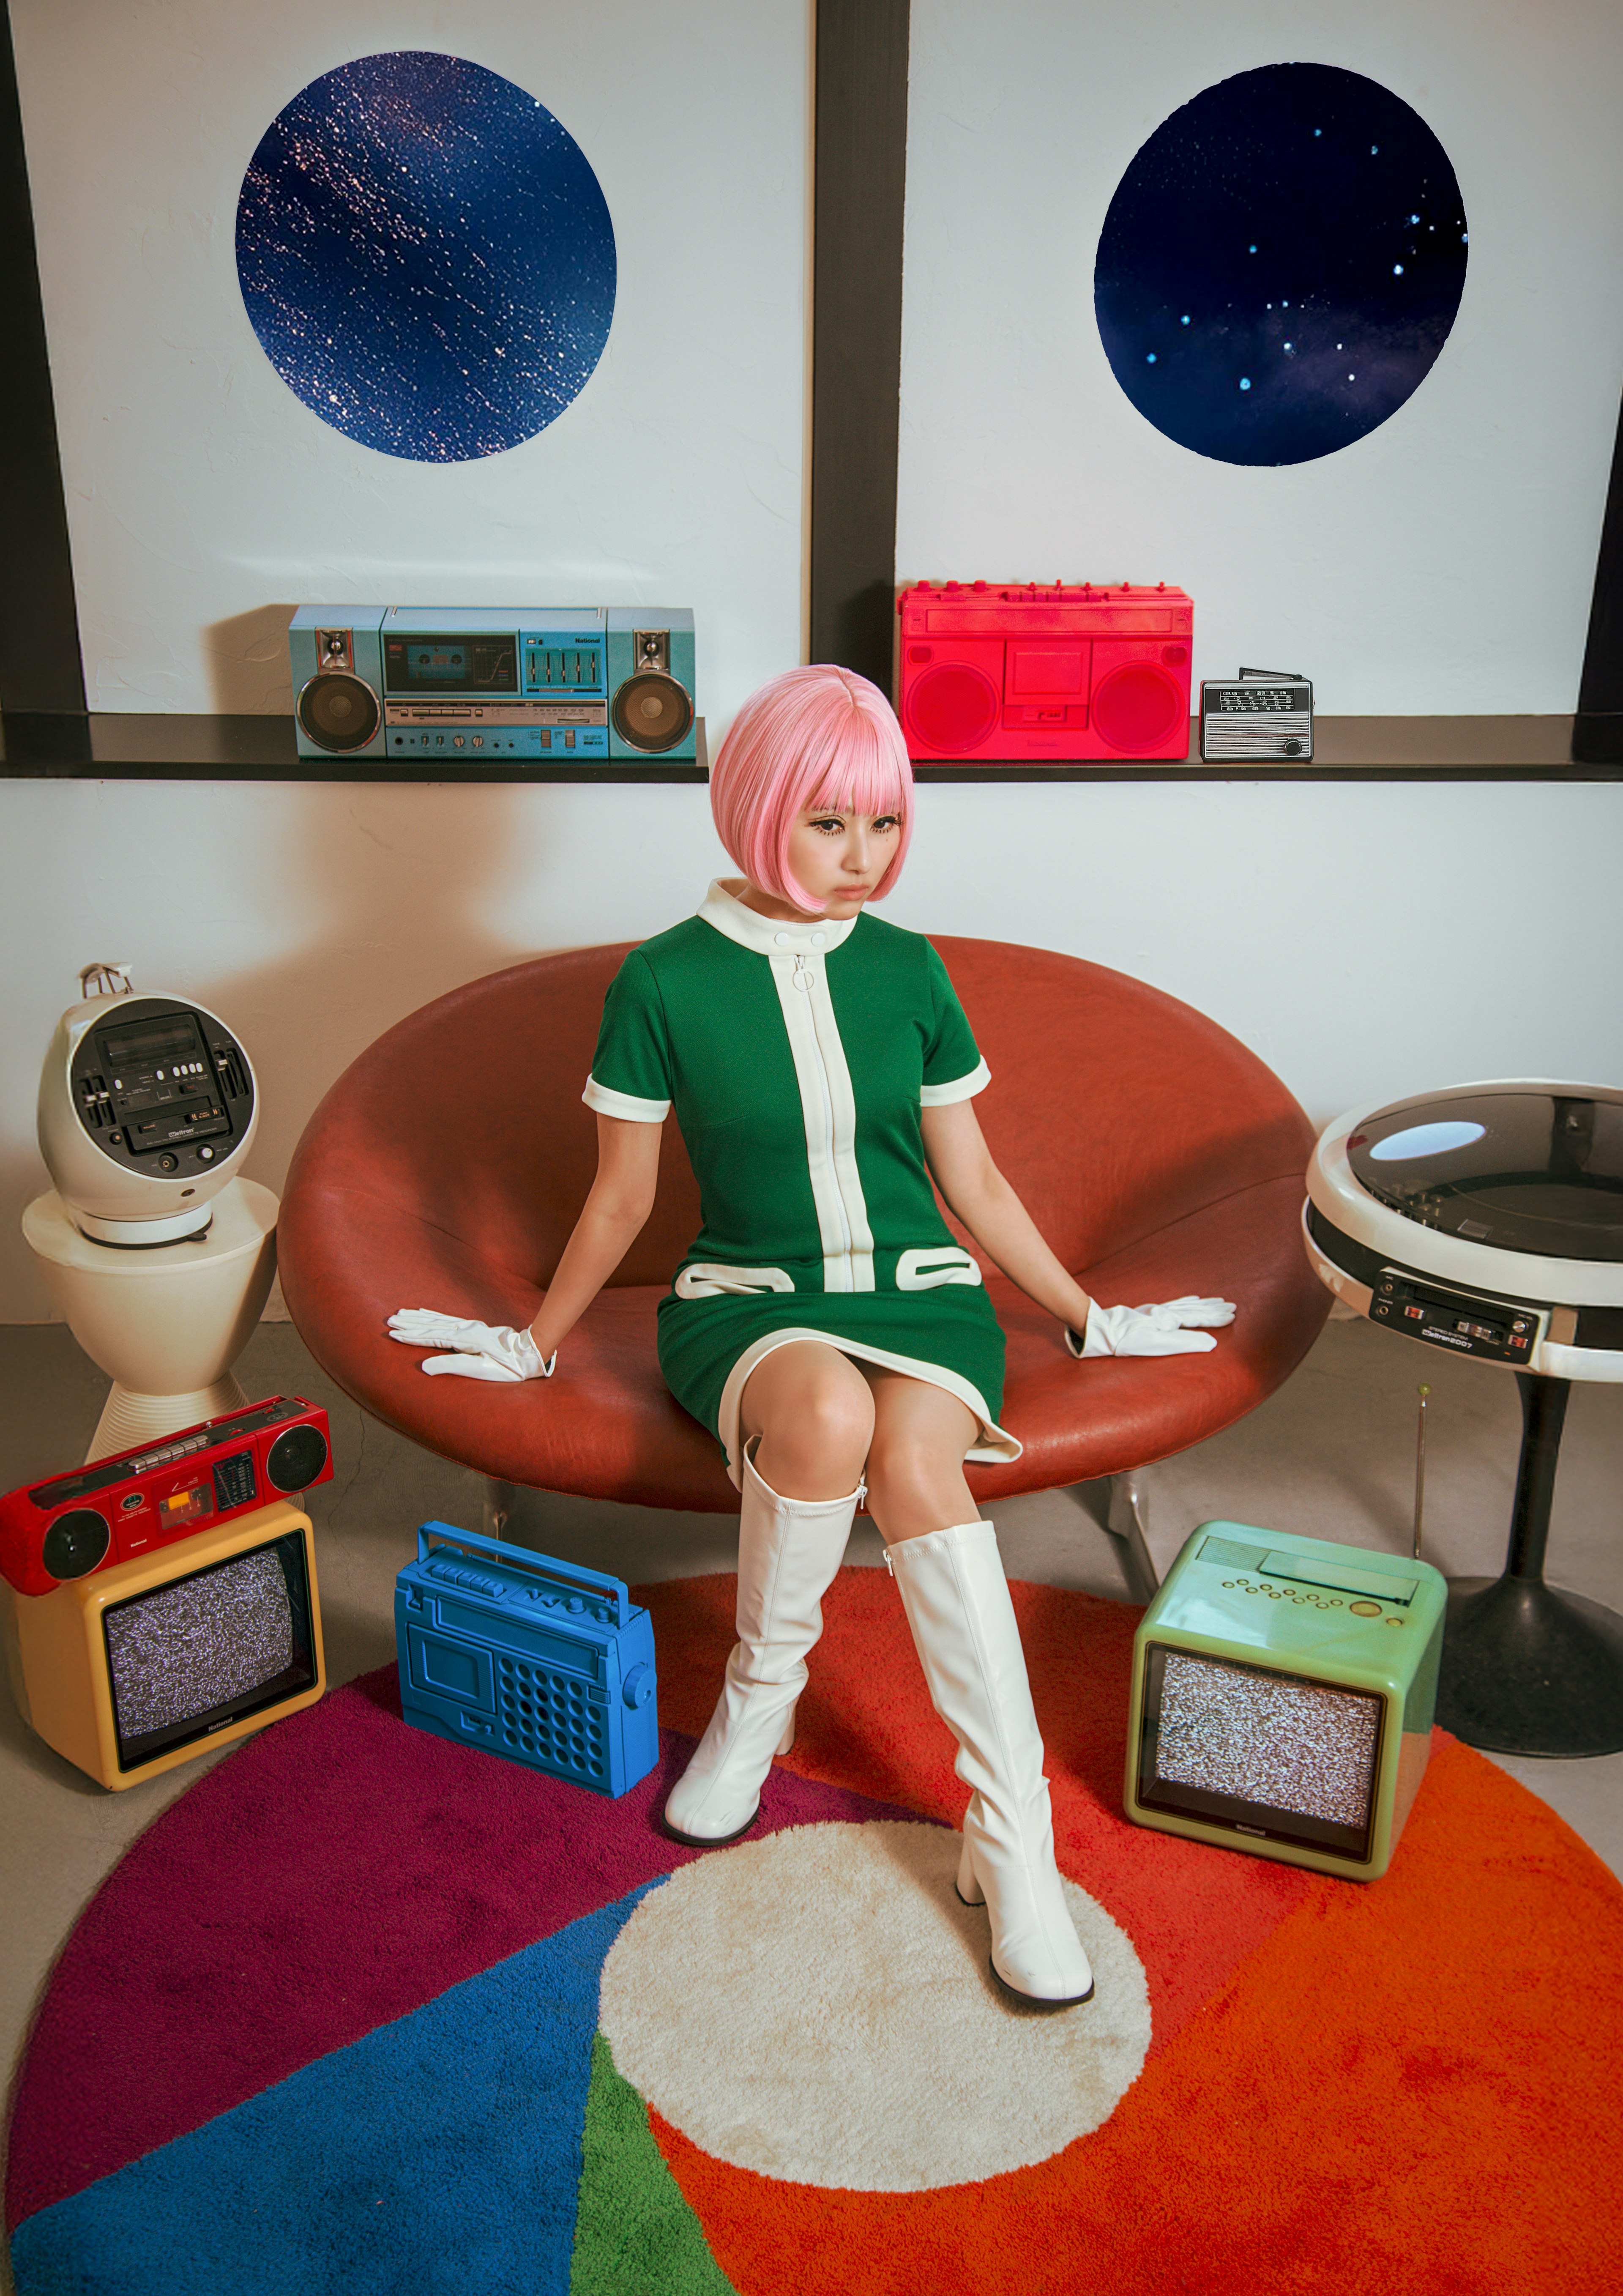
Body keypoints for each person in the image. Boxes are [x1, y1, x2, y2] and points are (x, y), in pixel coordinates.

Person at [388, 664, 1233, 2009]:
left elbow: (978, 1182)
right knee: (831, 1416)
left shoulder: (909, 970)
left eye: (885, 824)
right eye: (828, 823)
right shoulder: (662, 983)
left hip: (925, 1296)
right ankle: (756, 1702)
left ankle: (1013, 1845)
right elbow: (622, 1198)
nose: (863, 859)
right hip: (750, 1301)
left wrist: (1089, 1314)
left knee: (914, 1459)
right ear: (756, 806)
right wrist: (537, 1340)